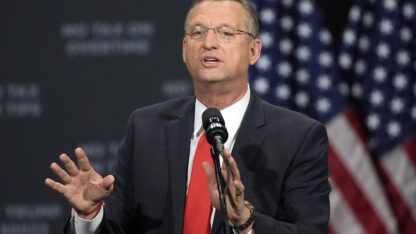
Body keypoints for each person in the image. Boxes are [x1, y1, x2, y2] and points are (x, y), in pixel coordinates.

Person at [45, 0, 331, 233]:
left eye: (226, 33)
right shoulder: (146, 129)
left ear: (254, 51)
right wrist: (89, 214)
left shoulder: (298, 137)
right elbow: (118, 227)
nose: (209, 42)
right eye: (197, 32)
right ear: (184, 50)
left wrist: (245, 221)